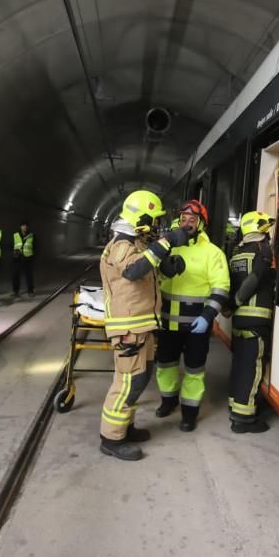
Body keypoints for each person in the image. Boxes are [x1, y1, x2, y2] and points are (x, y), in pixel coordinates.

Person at [99, 189, 187, 461]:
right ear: (142, 216)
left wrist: (169, 264)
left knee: (140, 379)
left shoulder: (136, 243)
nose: (158, 224)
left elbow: (148, 268)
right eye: (155, 218)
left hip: (142, 326)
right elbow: (134, 270)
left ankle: (125, 427)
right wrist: (166, 242)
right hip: (128, 329)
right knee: (128, 383)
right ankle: (111, 439)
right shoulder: (121, 245)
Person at [155, 199, 230, 432]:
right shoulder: (168, 246)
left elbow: (221, 287)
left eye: (193, 220)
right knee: (165, 365)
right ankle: (168, 401)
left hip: (197, 323)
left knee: (194, 369)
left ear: (201, 224)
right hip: (168, 321)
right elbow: (153, 281)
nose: (187, 223)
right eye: (184, 219)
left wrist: (208, 316)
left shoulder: (213, 253)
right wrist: (162, 271)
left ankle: (189, 413)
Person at [227, 211, 276, 434]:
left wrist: (233, 305)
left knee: (240, 365)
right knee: (252, 369)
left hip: (239, 320)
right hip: (256, 319)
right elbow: (254, 280)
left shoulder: (237, 254)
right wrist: (238, 300)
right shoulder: (262, 252)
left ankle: (235, 404)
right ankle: (243, 419)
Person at [12, 220, 35, 297]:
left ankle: (30, 291)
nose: (24, 227)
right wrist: (14, 253)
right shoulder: (15, 235)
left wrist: (33, 256)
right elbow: (11, 245)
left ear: (27, 227)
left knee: (29, 275)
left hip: (28, 258)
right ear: (20, 227)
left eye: (26, 226)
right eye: (23, 226)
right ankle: (16, 291)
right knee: (15, 275)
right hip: (17, 258)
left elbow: (36, 247)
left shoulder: (32, 235)